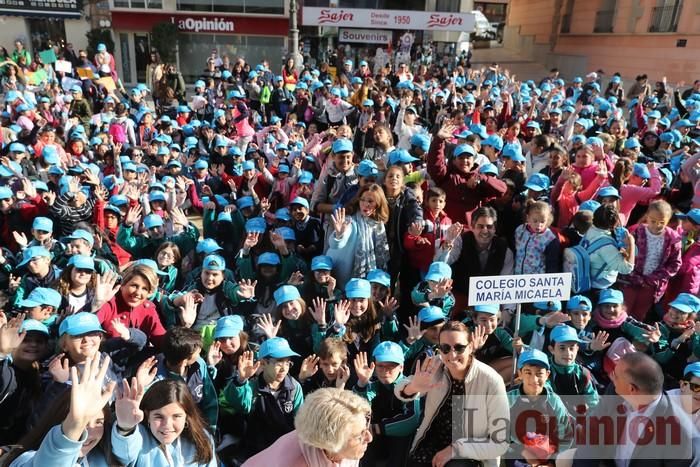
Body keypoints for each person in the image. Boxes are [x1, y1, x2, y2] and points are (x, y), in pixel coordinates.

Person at [395, 320, 510, 467]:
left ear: (470, 348)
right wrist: (412, 387)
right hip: (431, 446)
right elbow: (399, 389)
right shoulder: (436, 365)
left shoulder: (491, 381)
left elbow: (500, 443)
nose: (452, 354)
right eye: (445, 348)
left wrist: (455, 449)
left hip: (473, 455)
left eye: (459, 347)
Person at [243, 387, 372, 466]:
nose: (369, 438)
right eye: (359, 435)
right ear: (330, 441)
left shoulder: (345, 449)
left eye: (366, 428)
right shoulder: (294, 463)